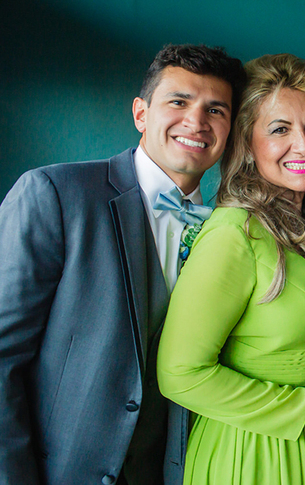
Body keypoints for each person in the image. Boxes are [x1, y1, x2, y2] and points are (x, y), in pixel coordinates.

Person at [0, 44, 246, 485]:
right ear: (141, 114)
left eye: (216, 110)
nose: (196, 121)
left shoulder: (228, 231)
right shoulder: (55, 194)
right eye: (179, 102)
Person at [157, 53, 305, 485]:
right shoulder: (234, 233)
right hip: (250, 454)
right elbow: (178, 374)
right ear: (247, 144)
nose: (303, 145)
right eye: (280, 129)